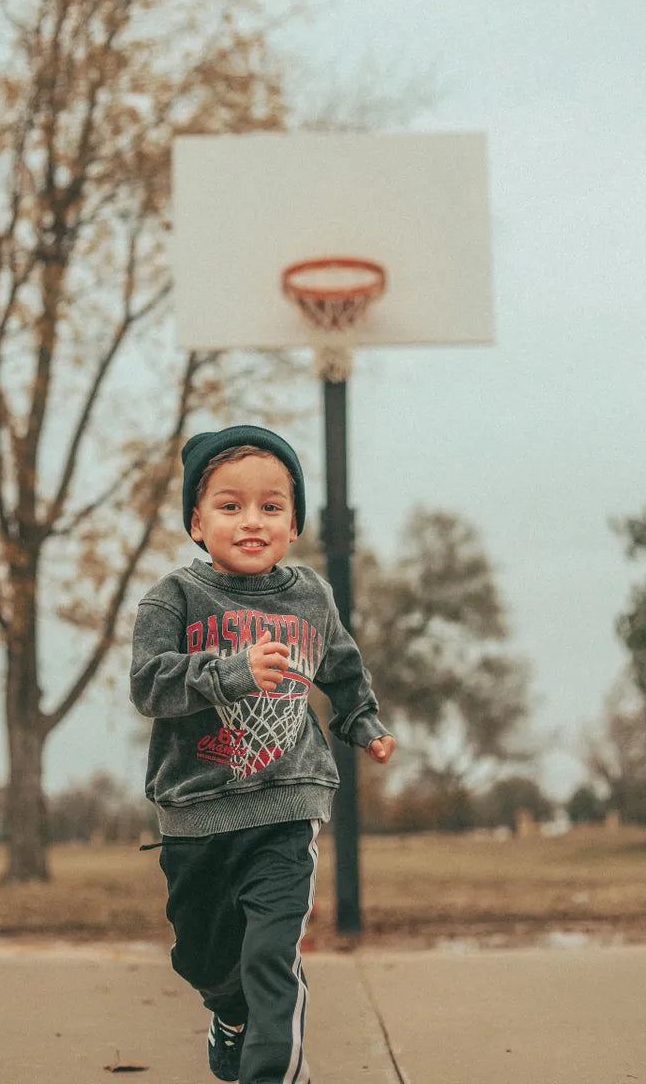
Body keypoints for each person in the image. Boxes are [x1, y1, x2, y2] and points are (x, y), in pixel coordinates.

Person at [130, 425, 395, 1084]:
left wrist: (363, 722)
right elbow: (150, 684)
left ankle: (273, 1073)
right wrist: (233, 670)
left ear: (294, 521)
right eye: (230, 506)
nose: (252, 521)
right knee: (203, 959)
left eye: (271, 506)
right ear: (196, 521)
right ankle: (228, 1010)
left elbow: (340, 669)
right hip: (196, 811)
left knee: (272, 954)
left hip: (286, 799)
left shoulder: (309, 596)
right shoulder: (174, 599)